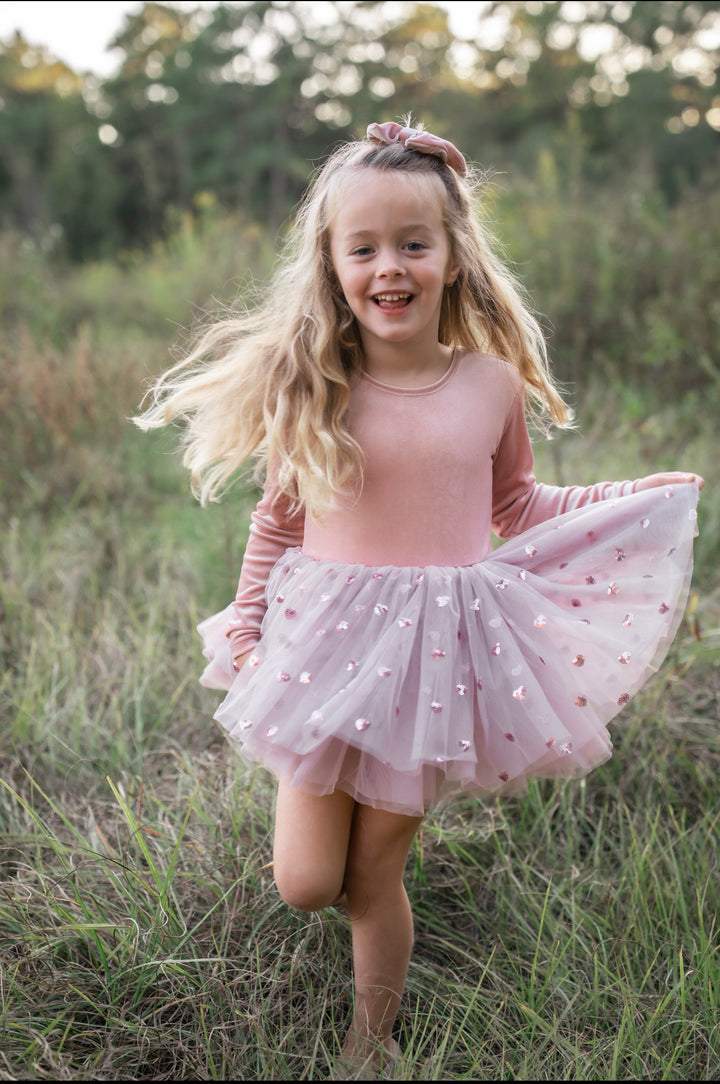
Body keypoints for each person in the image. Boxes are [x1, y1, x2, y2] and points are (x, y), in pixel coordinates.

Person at [136, 121, 703, 1075]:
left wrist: (631, 493)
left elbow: (519, 504)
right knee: (308, 882)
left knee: (373, 874)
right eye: (363, 248)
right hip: (322, 647)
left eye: (412, 243)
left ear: (452, 257)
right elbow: (277, 524)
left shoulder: (488, 384)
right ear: (332, 264)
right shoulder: (316, 384)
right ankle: (333, 871)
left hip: (438, 659)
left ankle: (374, 1041)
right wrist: (246, 616)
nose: (388, 267)